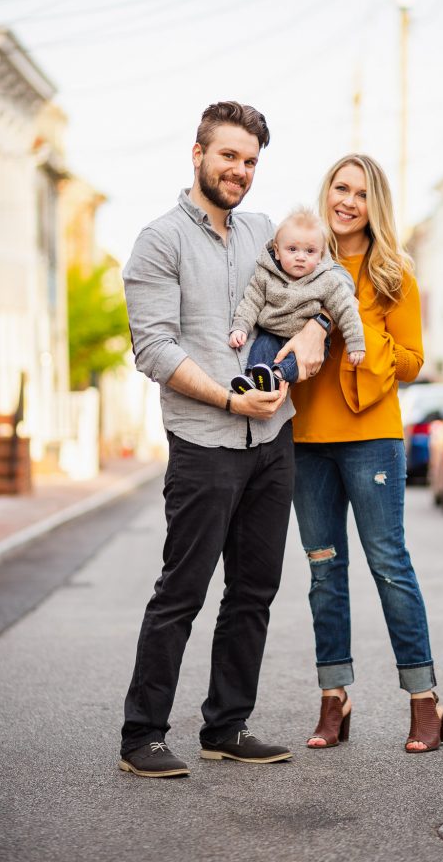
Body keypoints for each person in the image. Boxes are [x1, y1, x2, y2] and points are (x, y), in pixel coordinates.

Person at [119, 101, 329, 778]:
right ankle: (141, 736)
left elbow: (315, 292)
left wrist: (312, 334)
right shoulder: (159, 241)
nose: (239, 170)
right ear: (198, 153)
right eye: (229, 156)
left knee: (253, 591)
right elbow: (152, 348)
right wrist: (229, 395)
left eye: (250, 161)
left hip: (272, 441)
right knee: (182, 591)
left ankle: (227, 725)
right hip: (203, 442)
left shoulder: (265, 232)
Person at [291, 153, 443, 754]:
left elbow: (412, 361)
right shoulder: (299, 261)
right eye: (339, 187)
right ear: (326, 191)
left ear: (373, 203)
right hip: (307, 441)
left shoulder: (393, 273)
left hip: (371, 439)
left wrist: (358, 330)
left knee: (389, 564)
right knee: (324, 572)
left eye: (359, 192)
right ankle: (335, 698)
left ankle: (423, 697)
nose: (347, 201)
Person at [229, 207, 366, 394]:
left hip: (306, 341)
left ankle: (277, 376)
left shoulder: (326, 281)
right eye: (292, 249)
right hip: (272, 331)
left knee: (294, 359)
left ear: (320, 255)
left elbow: (346, 310)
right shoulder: (266, 275)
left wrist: (356, 342)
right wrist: (240, 326)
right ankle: (254, 378)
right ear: (277, 251)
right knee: (262, 346)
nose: (300, 257)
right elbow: (251, 301)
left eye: (310, 251)